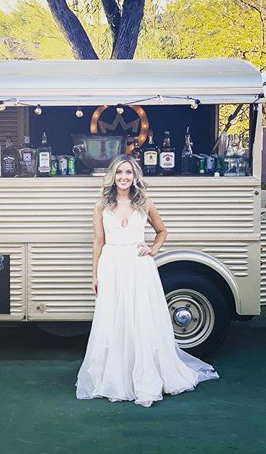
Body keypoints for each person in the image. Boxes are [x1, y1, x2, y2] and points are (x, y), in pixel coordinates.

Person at [76, 154, 219, 407]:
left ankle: (145, 375)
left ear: (135, 176)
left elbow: (162, 230)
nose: (123, 177)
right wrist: (94, 274)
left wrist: (153, 250)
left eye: (128, 173)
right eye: (119, 172)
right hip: (112, 266)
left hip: (138, 266)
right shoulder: (100, 207)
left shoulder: (144, 203)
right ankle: (116, 377)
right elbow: (99, 242)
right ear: (112, 175)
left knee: (140, 318)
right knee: (115, 319)